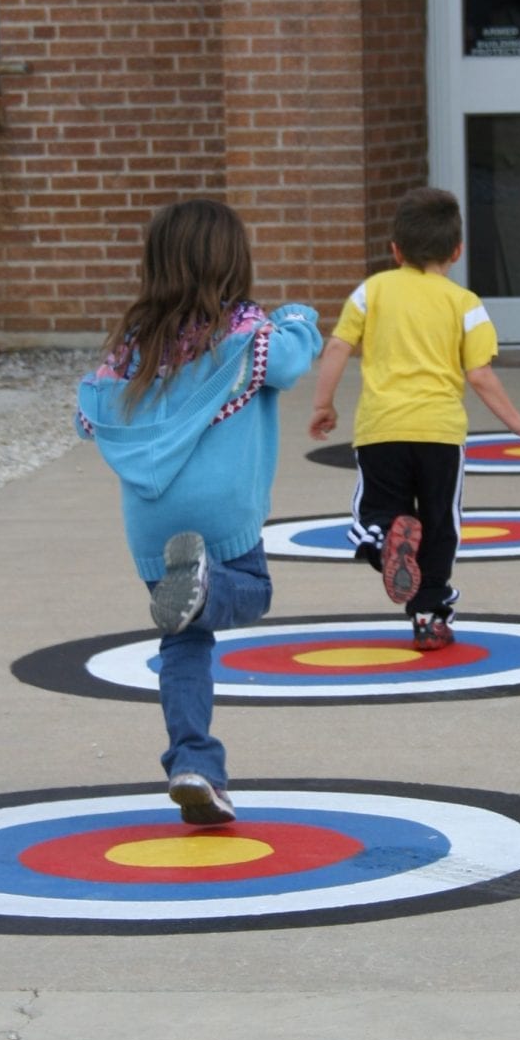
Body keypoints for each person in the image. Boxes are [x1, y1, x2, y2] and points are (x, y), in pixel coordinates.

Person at [77, 198, 321, 825]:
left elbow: (88, 417)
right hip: (219, 514)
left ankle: (195, 765)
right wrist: (299, 317)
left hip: (152, 521)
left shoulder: (133, 345)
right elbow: (293, 362)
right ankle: (207, 587)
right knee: (252, 591)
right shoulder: (244, 333)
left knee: (184, 644)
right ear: (232, 261)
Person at [308, 186, 520, 650]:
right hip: (440, 434)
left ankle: (382, 542)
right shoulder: (464, 303)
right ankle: (430, 617)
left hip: (382, 430)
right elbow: (478, 375)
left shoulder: (372, 290)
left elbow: (338, 346)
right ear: (456, 251)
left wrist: (324, 403)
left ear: (395, 250)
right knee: (440, 525)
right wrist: (516, 421)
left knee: (375, 509)